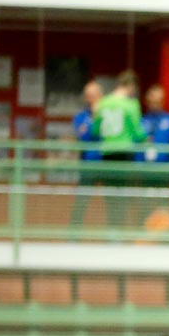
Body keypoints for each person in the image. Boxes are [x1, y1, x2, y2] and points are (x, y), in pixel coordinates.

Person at [93, 70, 148, 230]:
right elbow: (138, 132)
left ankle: (112, 231)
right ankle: (121, 230)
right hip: (125, 152)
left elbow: (96, 130)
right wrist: (146, 137)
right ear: (131, 86)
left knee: (110, 196)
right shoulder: (131, 104)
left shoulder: (104, 102)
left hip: (107, 152)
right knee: (123, 194)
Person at [139, 83, 169, 225]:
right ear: (147, 101)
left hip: (165, 169)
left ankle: (164, 234)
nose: (155, 104)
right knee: (145, 203)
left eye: (158, 101)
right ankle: (145, 236)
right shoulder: (141, 121)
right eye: (152, 101)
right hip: (146, 170)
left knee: (164, 205)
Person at [68, 80, 103, 228]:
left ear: (101, 95)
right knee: (81, 200)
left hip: (107, 162)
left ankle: (115, 236)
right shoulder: (80, 117)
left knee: (113, 201)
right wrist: (94, 117)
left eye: (94, 95)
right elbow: (83, 137)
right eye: (88, 95)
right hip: (87, 164)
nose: (91, 98)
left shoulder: (109, 114)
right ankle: (74, 234)